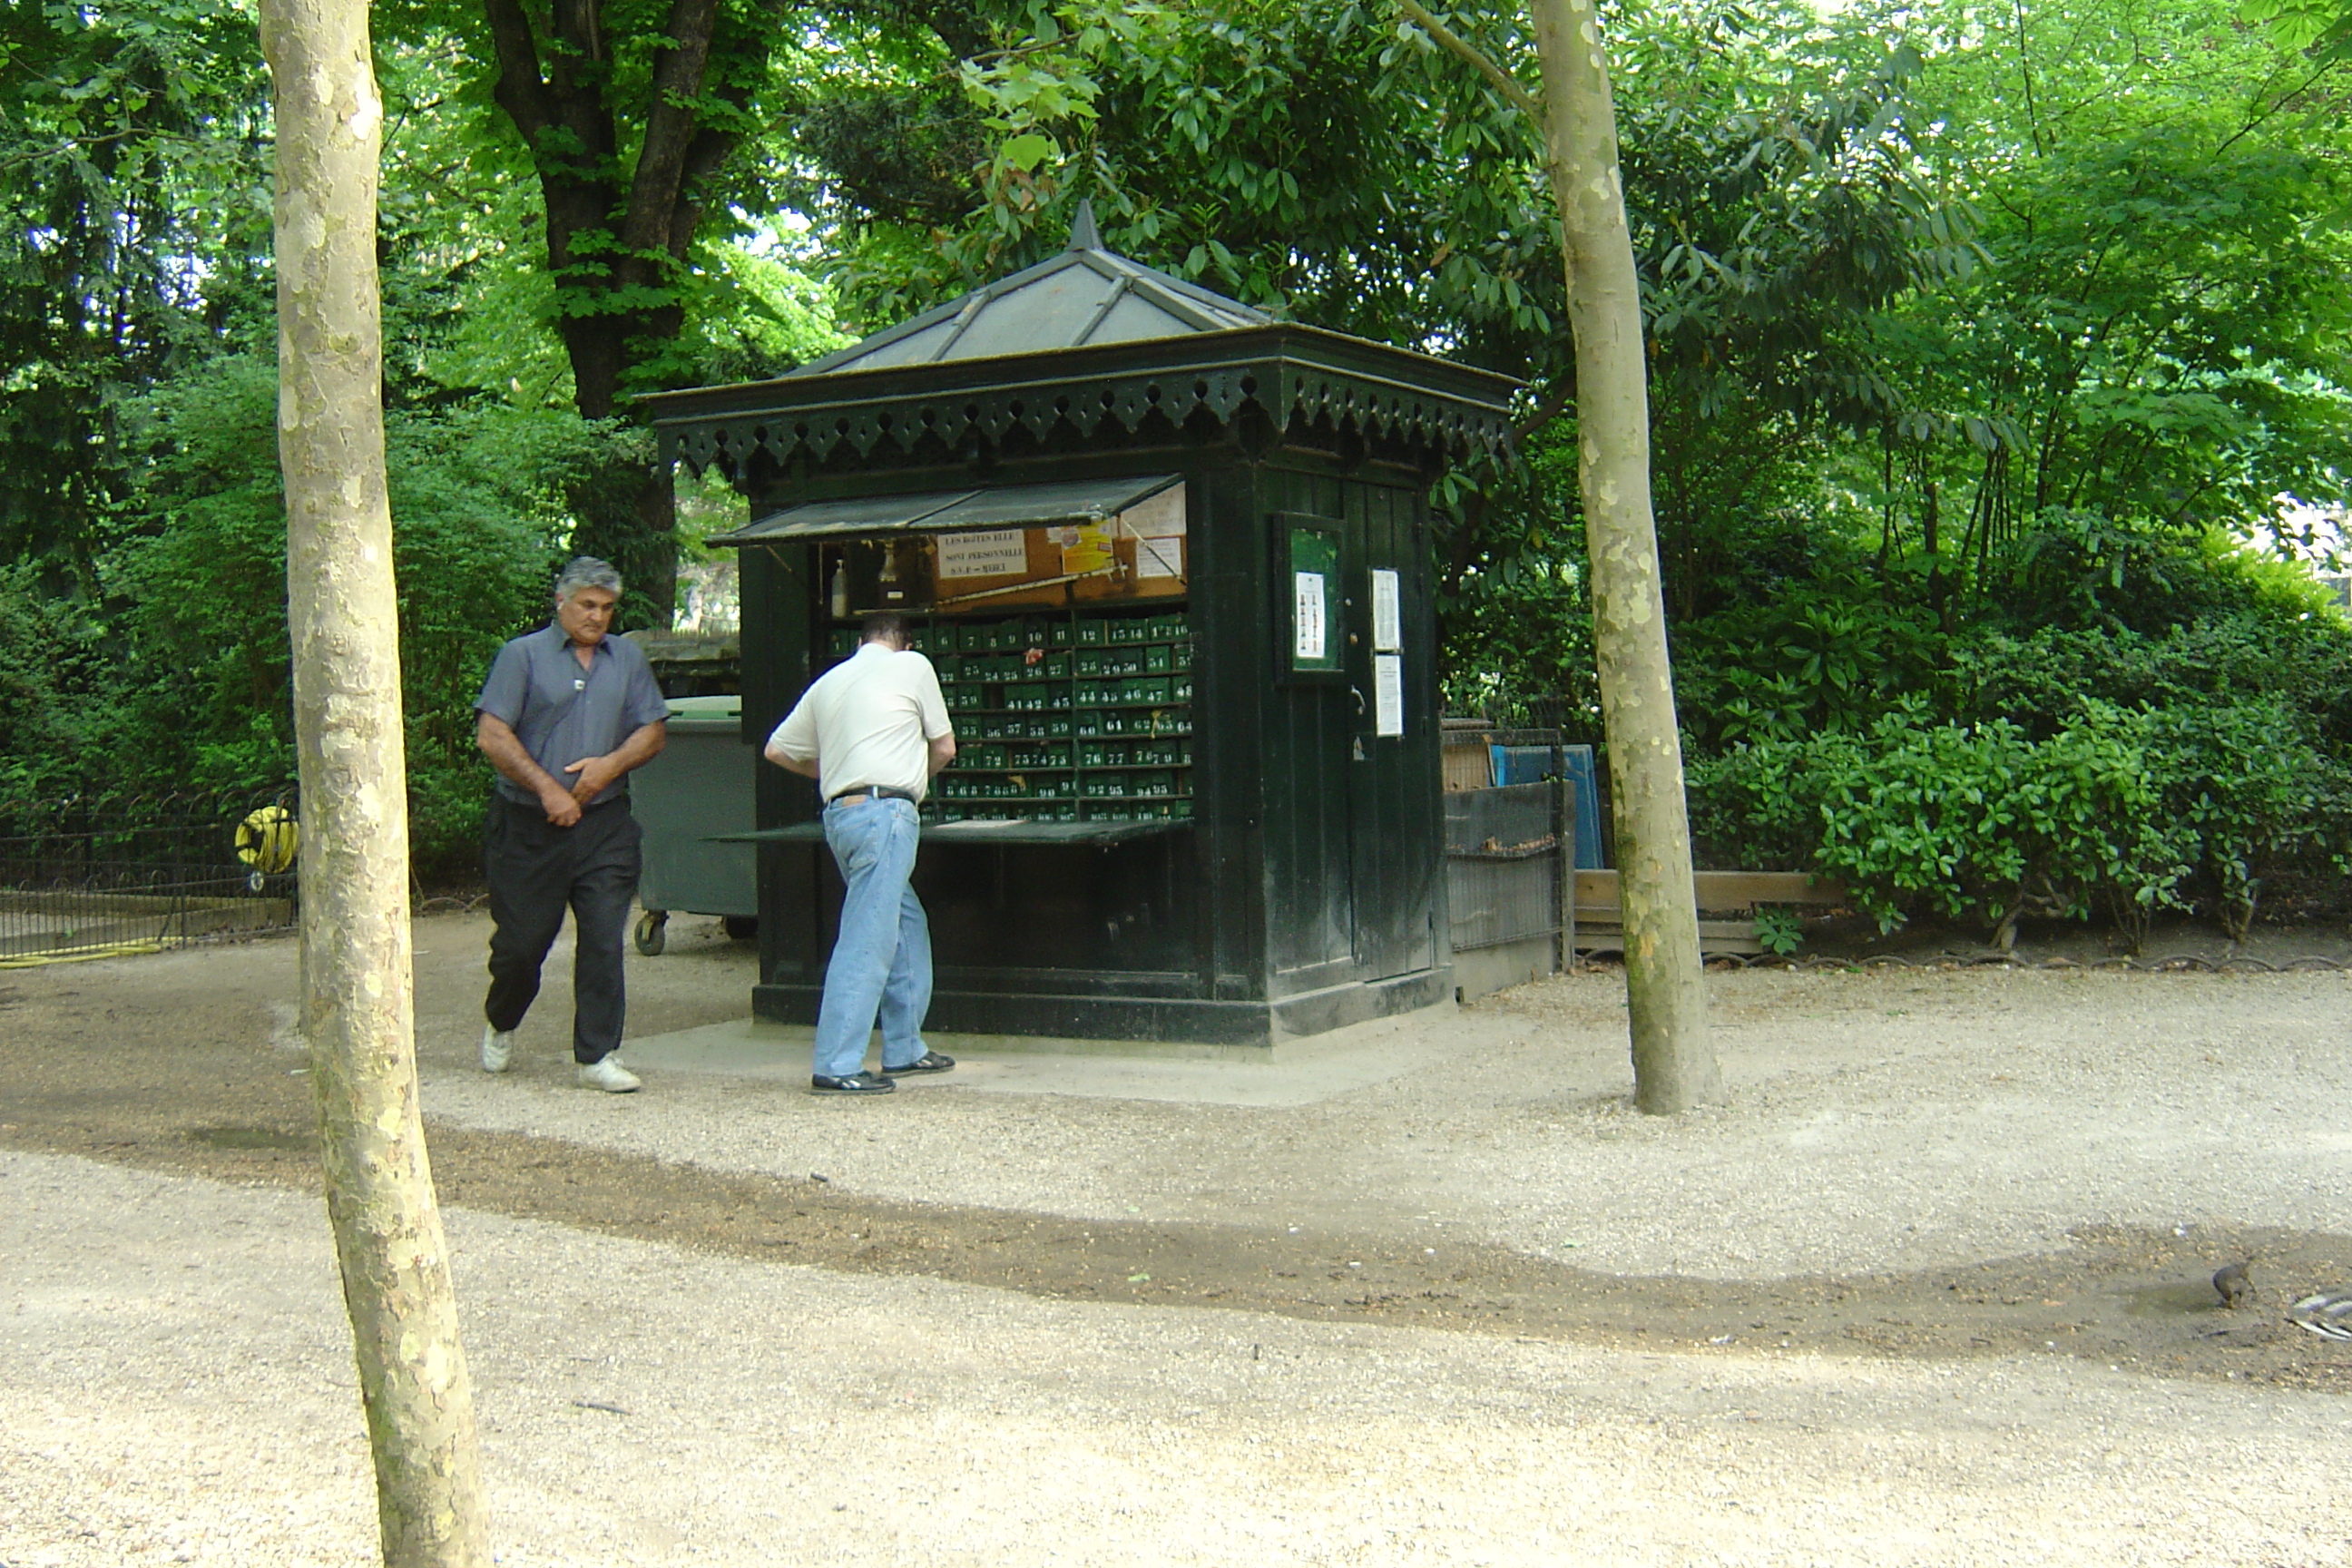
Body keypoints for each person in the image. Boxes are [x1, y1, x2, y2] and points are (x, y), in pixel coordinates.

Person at [473, 557, 670, 1092]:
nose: (597, 616)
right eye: (587, 605)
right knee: (523, 944)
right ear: (561, 603)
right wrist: (548, 790)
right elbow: (492, 735)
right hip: (527, 824)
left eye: (606, 608)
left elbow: (652, 731)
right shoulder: (523, 656)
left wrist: (610, 764)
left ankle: (598, 1054)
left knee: (605, 938)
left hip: (605, 824)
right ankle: (502, 1019)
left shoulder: (626, 657)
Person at [764, 610, 958, 1095]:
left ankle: (905, 1046)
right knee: (867, 936)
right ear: (906, 644)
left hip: (841, 817)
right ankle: (837, 1062)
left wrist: (838, 775)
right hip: (886, 813)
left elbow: (777, 750)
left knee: (904, 919)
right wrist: (912, 778)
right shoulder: (914, 667)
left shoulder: (831, 680)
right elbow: (945, 746)